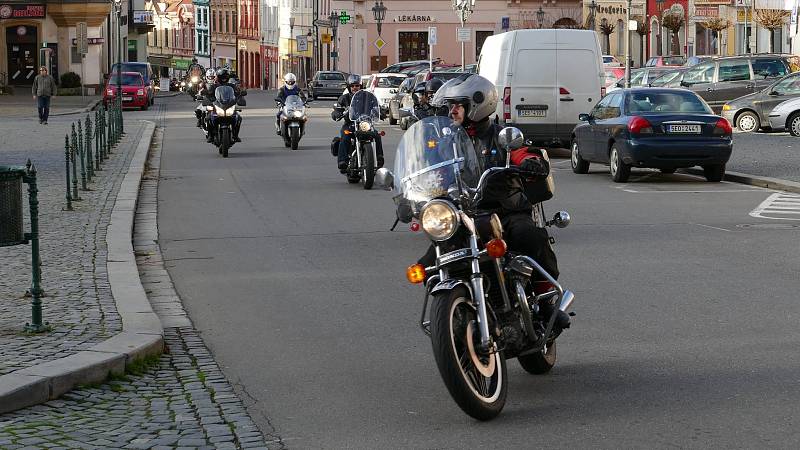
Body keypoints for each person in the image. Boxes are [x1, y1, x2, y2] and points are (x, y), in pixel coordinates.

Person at [428, 73, 569, 329]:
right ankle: (449, 310)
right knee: (430, 260)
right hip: (466, 214)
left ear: (479, 104)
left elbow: (522, 151)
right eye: (450, 105)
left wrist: (530, 163)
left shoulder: (502, 135)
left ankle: (547, 302)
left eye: (458, 105)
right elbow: (434, 170)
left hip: (505, 210)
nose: (452, 110)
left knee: (529, 236)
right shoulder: (448, 141)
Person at [334, 74, 384, 172]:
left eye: (357, 85)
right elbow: (338, 108)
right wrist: (337, 113)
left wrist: (381, 111)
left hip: (365, 123)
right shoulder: (344, 98)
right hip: (350, 124)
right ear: (349, 87)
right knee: (345, 136)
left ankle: (379, 157)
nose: (354, 88)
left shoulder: (368, 96)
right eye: (352, 86)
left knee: (377, 135)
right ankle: (342, 161)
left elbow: (376, 105)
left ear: (361, 86)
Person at [204, 67, 243, 143]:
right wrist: (207, 97)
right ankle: (210, 136)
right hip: (217, 106)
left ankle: (235, 135)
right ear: (218, 77)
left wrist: (240, 96)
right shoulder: (214, 86)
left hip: (229, 105)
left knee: (238, 118)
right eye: (222, 77)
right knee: (208, 118)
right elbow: (209, 94)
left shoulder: (232, 86)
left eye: (225, 77)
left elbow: (237, 93)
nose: (224, 79)